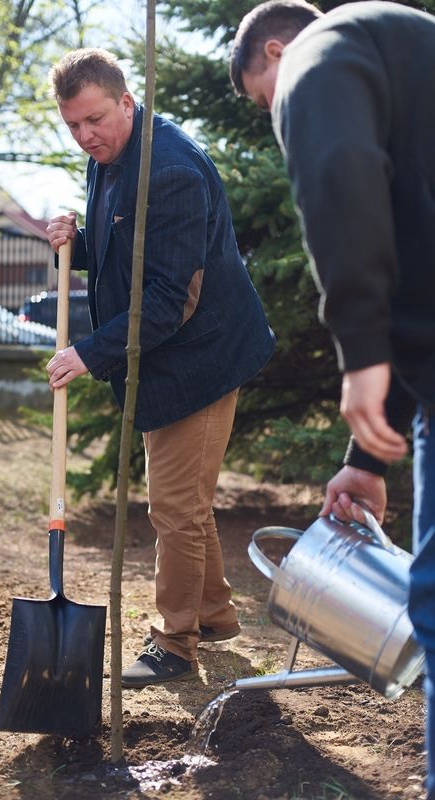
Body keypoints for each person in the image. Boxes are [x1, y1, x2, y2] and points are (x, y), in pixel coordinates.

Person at [230, 1, 435, 796]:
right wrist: (363, 459)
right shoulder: (407, 53)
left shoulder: (321, 52)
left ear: (276, 50)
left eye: (262, 98)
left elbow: (340, 166)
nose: (277, 116)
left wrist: (361, 355)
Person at [44, 48, 275, 689]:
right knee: (186, 503)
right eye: (73, 127)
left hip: (199, 356)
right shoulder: (111, 156)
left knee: (174, 507)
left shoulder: (170, 170)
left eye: (95, 120)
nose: (86, 136)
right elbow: (129, 247)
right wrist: (80, 243)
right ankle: (214, 614)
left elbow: (168, 301)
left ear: (126, 102)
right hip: (164, 353)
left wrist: (87, 353)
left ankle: (175, 643)